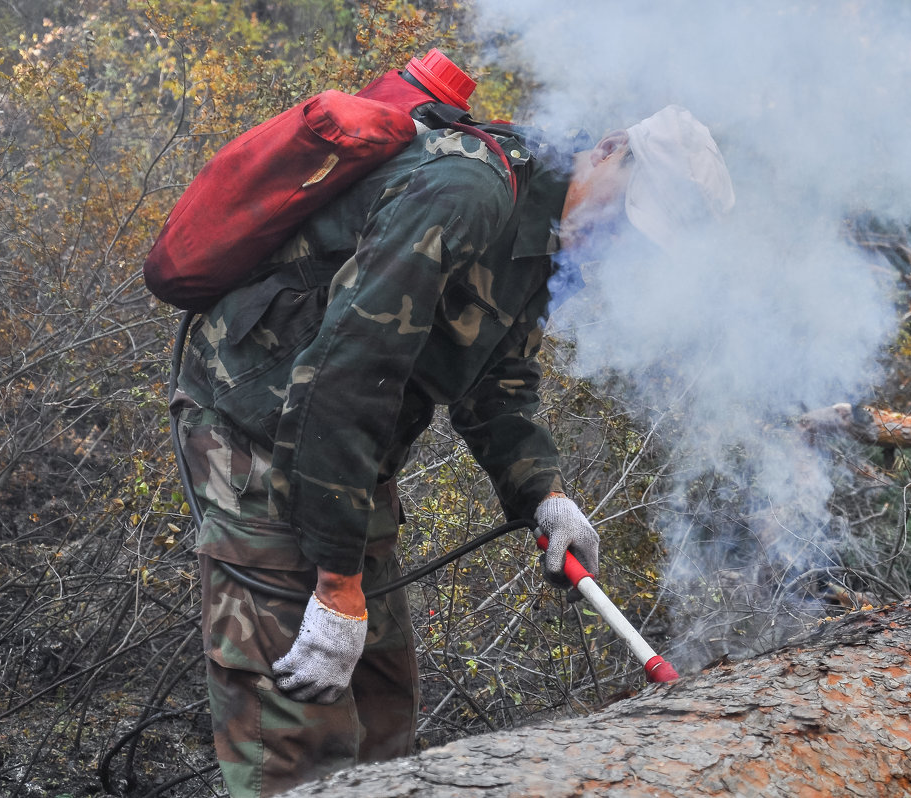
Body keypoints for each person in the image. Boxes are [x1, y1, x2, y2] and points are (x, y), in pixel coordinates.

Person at [170, 60, 734, 796]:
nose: (618, 250)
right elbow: (343, 376)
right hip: (250, 430)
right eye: (625, 220)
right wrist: (337, 584)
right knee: (301, 731)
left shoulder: (546, 234)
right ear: (609, 151)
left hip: (343, 452)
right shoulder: (467, 194)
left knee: (383, 712)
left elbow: (499, 382)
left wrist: (544, 493)